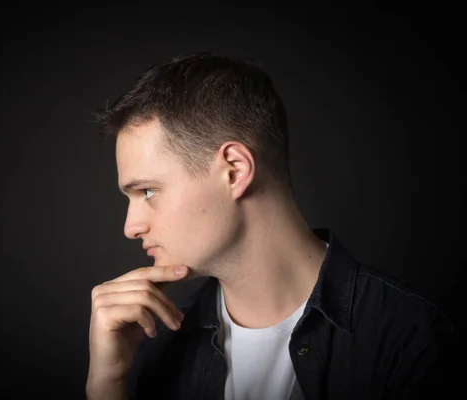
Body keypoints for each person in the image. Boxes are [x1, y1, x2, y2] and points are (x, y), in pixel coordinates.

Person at [85, 52, 455, 400]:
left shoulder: (410, 338)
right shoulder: (150, 346)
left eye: (148, 191)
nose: (131, 227)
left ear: (235, 170)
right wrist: (106, 385)